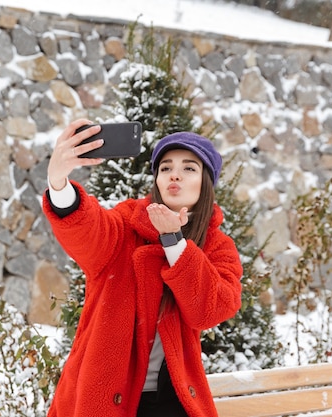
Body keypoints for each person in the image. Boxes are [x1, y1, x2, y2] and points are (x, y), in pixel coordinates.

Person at [43, 119, 243, 417]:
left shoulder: (216, 245)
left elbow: (209, 310)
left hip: (172, 401)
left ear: (206, 182)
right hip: (104, 395)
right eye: (165, 168)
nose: (175, 174)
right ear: (157, 181)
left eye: (189, 168)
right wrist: (58, 183)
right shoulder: (126, 224)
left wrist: (174, 243)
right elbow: (87, 229)